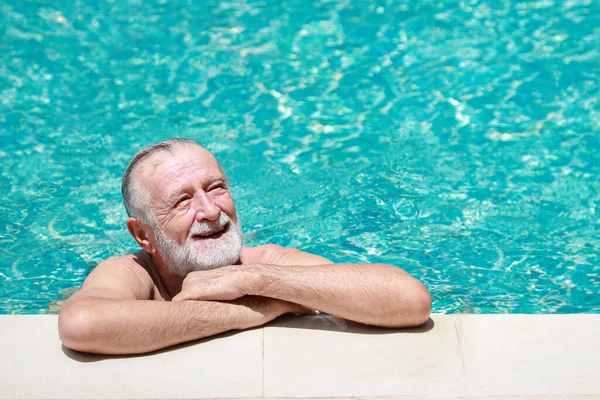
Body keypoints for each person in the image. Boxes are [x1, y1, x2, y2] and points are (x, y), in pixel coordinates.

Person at [58, 138, 431, 355]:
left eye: (216, 188)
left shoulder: (265, 262)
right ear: (143, 235)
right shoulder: (134, 273)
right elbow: (82, 323)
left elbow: (409, 299)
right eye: (182, 201)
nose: (210, 210)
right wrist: (254, 310)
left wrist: (253, 280)